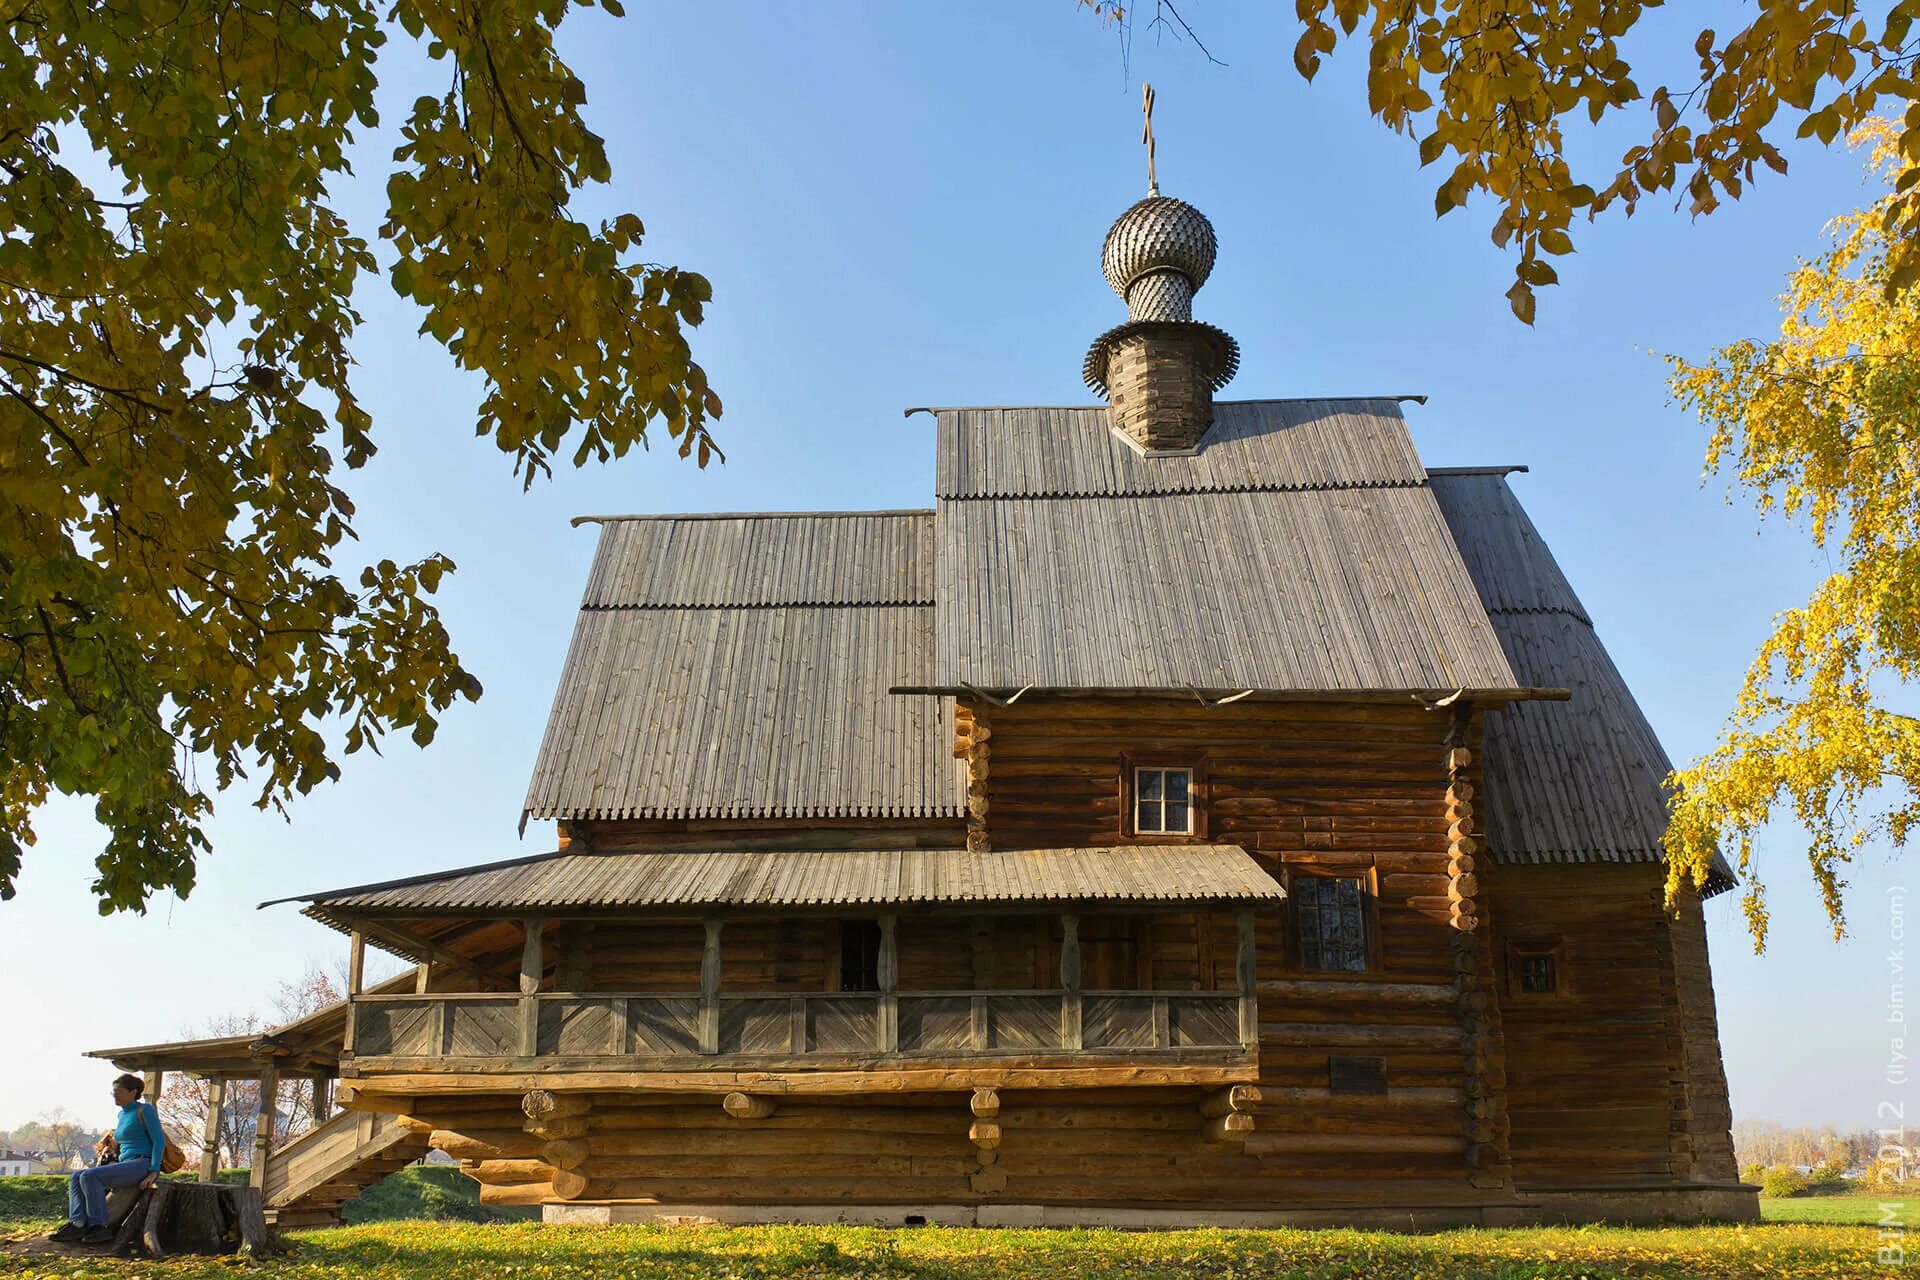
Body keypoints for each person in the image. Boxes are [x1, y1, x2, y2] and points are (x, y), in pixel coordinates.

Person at [47, 1074, 165, 1245]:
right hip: (125, 1164)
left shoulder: (145, 1110)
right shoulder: (121, 1115)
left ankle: (100, 1227)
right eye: (113, 1092)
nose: (115, 1095)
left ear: (133, 1092)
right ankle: (78, 1223)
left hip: (142, 1164)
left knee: (89, 1176)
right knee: (76, 1176)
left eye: (119, 1092)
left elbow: (158, 1140)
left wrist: (153, 1172)